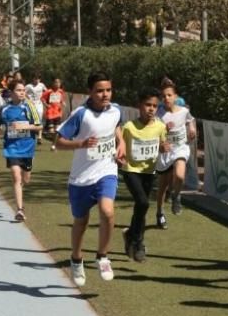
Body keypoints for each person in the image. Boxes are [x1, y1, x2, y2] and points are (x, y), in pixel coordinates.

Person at [55, 72, 125, 285]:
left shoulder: (116, 110)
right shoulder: (81, 114)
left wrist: (121, 143)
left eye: (108, 90)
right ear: (90, 92)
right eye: (100, 91)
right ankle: (76, 259)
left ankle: (103, 256)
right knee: (81, 221)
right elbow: (58, 141)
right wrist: (81, 144)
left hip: (106, 171)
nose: (105, 95)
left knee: (107, 211)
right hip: (81, 178)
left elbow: (117, 127)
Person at [120, 87, 169, 262]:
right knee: (142, 202)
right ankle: (138, 242)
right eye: (147, 105)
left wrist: (164, 148)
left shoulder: (160, 127)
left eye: (155, 106)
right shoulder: (129, 127)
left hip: (149, 171)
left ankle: (130, 236)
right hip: (131, 170)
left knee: (141, 208)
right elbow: (121, 148)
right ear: (139, 106)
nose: (151, 109)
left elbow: (163, 145)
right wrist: (120, 155)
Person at [155, 78, 196, 228]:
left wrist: (191, 128)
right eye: (164, 96)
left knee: (179, 175)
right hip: (166, 151)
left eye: (169, 95)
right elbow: (153, 132)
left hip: (180, 148)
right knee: (162, 187)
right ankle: (159, 213)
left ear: (175, 96)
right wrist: (164, 129)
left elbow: (190, 120)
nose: (167, 98)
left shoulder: (184, 111)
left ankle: (176, 196)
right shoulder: (158, 113)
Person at [0, 80, 42, 221]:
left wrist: (24, 127)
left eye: (23, 90)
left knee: (25, 179)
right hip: (11, 148)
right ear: (11, 93)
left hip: (27, 148)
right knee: (16, 177)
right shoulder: (5, 109)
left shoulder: (29, 107)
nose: (22, 92)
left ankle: (20, 193)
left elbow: (39, 126)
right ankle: (19, 209)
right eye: (18, 90)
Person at [41, 77, 66, 149]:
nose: (57, 84)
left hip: (58, 113)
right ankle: (52, 140)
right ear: (53, 83)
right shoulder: (49, 91)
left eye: (59, 82)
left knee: (57, 130)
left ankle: (53, 145)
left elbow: (61, 100)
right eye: (56, 82)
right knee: (51, 131)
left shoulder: (61, 91)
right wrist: (46, 105)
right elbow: (42, 98)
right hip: (50, 113)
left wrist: (62, 103)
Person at [25, 74, 47, 145]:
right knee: (30, 120)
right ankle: (30, 136)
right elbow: (23, 93)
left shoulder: (42, 85)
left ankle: (40, 137)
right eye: (35, 78)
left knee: (39, 119)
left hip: (39, 104)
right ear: (33, 79)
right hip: (30, 104)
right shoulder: (28, 86)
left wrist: (44, 99)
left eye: (38, 78)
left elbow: (47, 92)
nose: (37, 80)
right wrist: (28, 99)